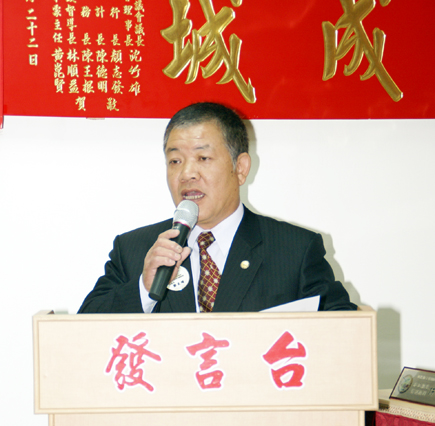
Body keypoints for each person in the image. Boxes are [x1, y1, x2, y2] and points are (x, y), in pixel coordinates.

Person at [78, 102, 356, 314]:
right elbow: (82, 333)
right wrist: (144, 289)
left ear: (240, 168)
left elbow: (344, 332)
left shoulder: (294, 250)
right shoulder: (135, 250)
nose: (187, 174)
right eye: (175, 161)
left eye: (203, 158)